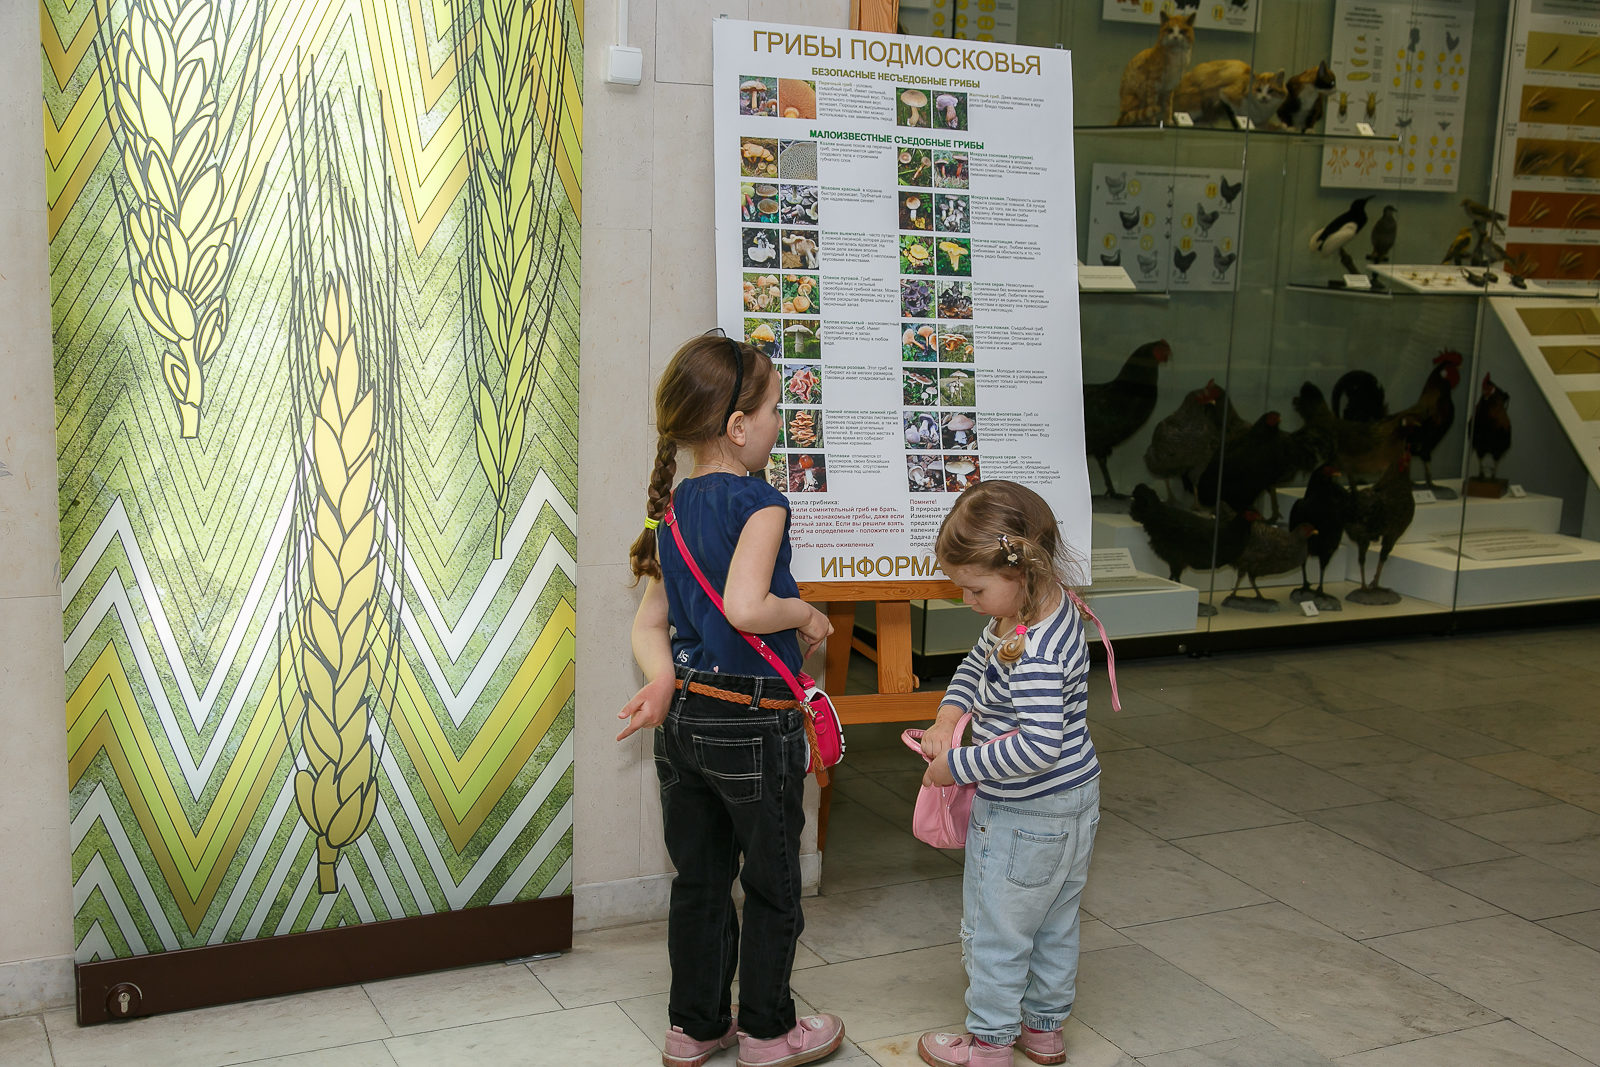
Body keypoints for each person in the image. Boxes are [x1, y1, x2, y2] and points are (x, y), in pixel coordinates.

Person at [619, 332, 844, 1067]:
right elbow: (749, 607)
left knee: (701, 881)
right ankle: (770, 1033)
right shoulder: (761, 500)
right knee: (774, 882)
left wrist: (660, 678)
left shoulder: (673, 507)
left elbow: (649, 625)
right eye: (776, 409)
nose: (781, 422)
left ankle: (694, 1027)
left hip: (684, 720)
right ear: (738, 426)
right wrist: (804, 614)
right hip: (752, 720)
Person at [914, 480, 1101, 1067]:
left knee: (997, 929)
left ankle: (989, 1044)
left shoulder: (1037, 651)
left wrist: (956, 766)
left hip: (1024, 810)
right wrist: (949, 712)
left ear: (1021, 568)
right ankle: (1042, 1031)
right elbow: (977, 661)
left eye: (973, 589)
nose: (966, 600)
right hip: (1073, 802)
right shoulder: (1030, 613)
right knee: (1053, 923)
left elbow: (1038, 746)